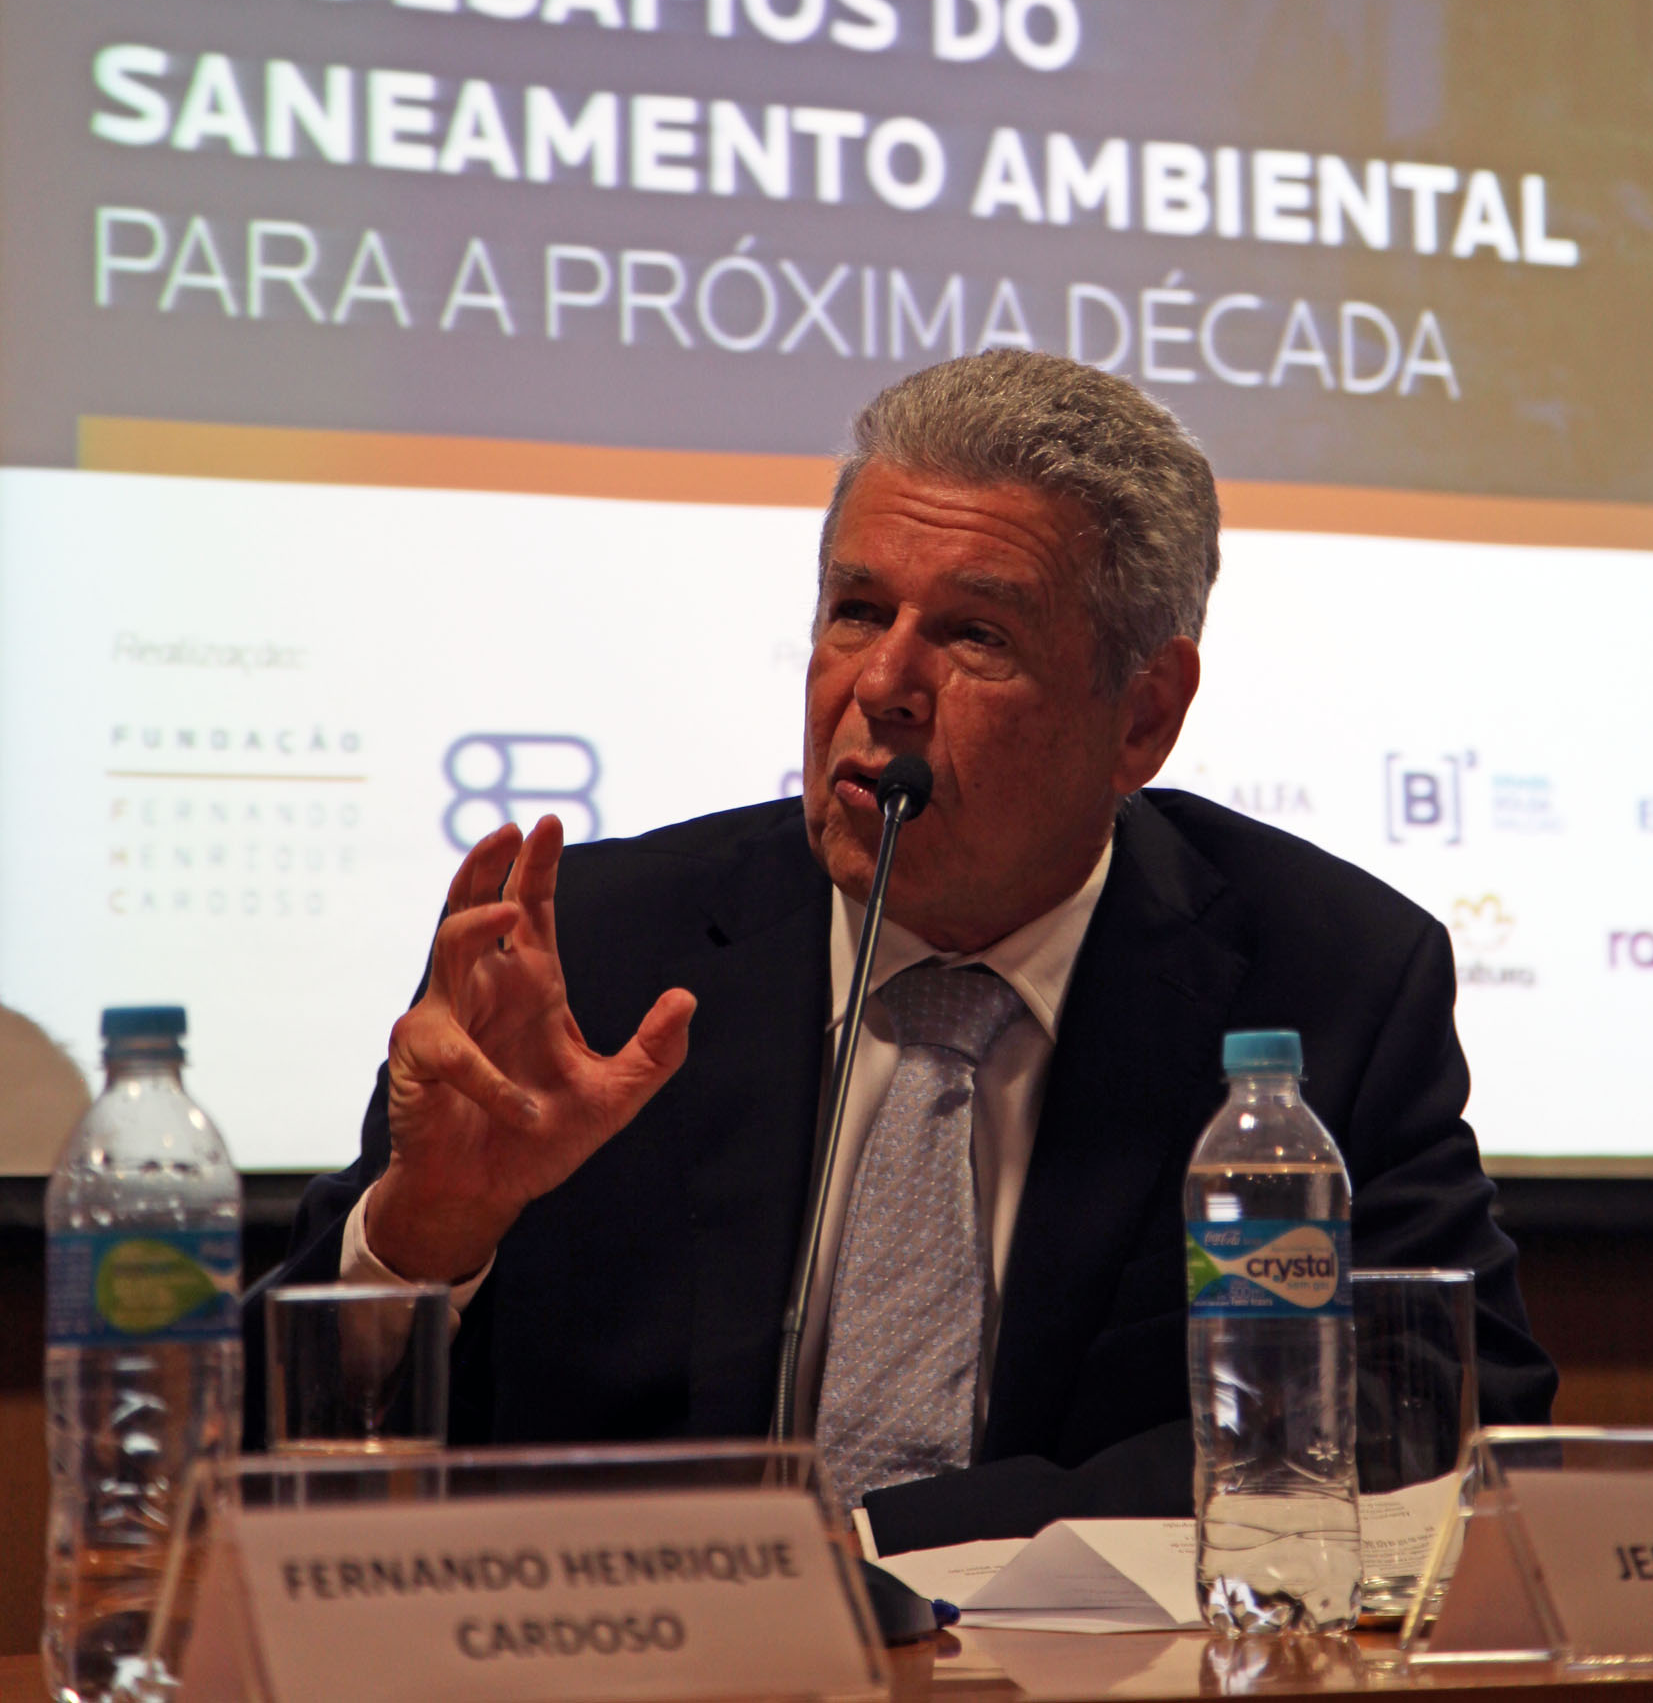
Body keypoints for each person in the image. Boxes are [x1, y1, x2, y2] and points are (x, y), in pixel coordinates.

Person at [248, 352, 1554, 1547]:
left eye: (976, 634)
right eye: (857, 610)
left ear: (1142, 716)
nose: (882, 685)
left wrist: (897, 1544)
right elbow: (257, 1446)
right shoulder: (593, 951)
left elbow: (1444, 1406)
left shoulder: (1326, 975)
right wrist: (426, 1237)